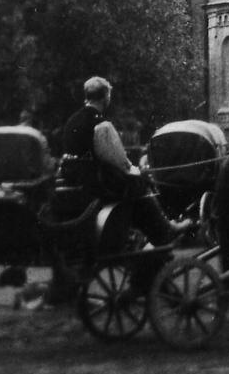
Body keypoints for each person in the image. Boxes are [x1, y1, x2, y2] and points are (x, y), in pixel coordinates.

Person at [58, 76, 183, 247]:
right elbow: (118, 160)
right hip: (99, 181)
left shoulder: (72, 120)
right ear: (106, 97)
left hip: (76, 178)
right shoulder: (102, 125)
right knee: (140, 184)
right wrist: (136, 171)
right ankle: (163, 230)